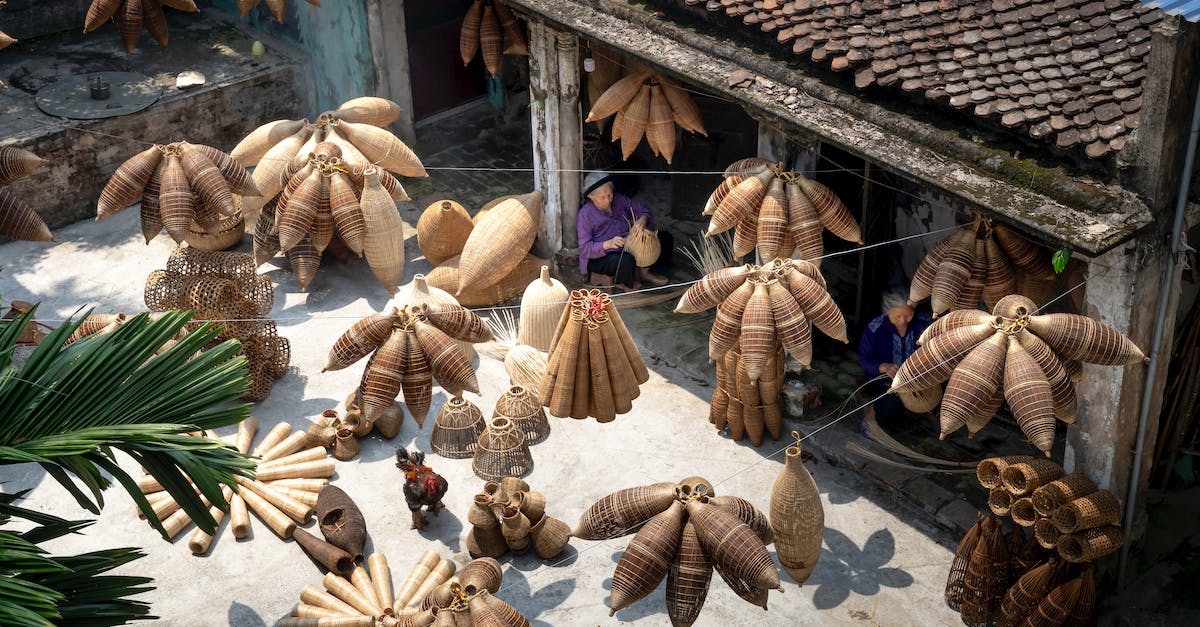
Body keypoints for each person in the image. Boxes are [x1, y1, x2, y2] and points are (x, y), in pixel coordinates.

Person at [577, 171, 674, 291]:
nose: (608, 200)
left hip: (629, 245)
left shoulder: (619, 200)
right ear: (590, 197)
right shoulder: (585, 214)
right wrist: (608, 244)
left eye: (609, 194)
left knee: (664, 239)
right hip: (603, 257)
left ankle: (645, 273)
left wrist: (642, 221)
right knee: (626, 260)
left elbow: (644, 210)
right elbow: (585, 249)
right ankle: (626, 283)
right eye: (602, 197)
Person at [857, 292, 932, 428]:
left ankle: (931, 414)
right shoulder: (875, 329)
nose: (903, 321)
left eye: (908, 315)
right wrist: (883, 367)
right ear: (887, 312)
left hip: (918, 378)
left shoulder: (924, 323)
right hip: (884, 382)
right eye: (897, 316)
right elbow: (864, 360)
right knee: (890, 406)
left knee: (935, 395)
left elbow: (934, 349)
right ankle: (872, 414)